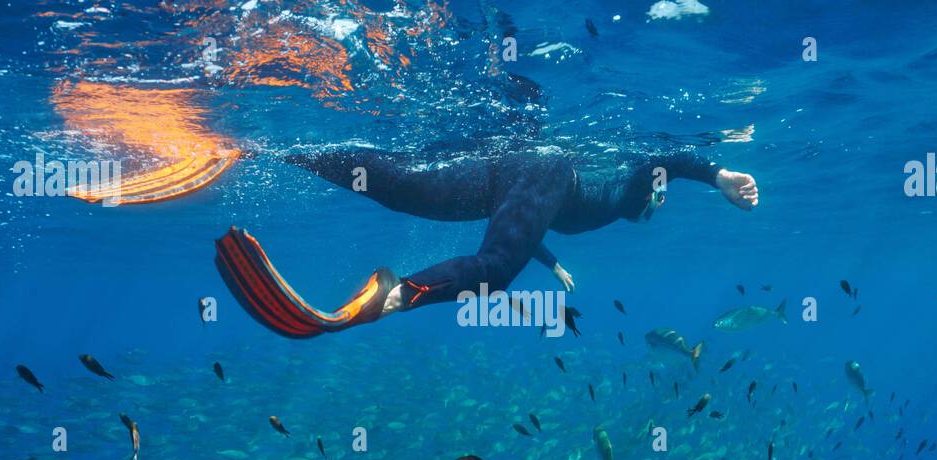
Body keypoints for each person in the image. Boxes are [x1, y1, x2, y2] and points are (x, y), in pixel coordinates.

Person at [214, 145, 758, 338]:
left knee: (404, 189)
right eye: (658, 201)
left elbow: (526, 223)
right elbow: (660, 162)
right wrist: (718, 176)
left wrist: (551, 266)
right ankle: (394, 295)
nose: (655, 206)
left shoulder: (608, 206)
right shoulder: (627, 193)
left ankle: (269, 151)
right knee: (495, 271)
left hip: (515, 175)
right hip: (544, 172)